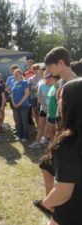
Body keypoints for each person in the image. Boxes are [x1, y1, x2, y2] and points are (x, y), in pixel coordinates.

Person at [40, 78, 82, 225]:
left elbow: (63, 192)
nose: (58, 101)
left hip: (72, 212)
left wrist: (46, 203)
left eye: (61, 97)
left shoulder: (70, 142)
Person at [29, 73, 58, 149]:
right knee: (40, 126)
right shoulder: (42, 85)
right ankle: (37, 142)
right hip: (44, 108)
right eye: (46, 78)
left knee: (51, 127)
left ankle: (49, 141)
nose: (47, 79)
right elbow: (39, 98)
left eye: (49, 78)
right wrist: (45, 108)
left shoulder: (56, 86)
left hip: (53, 111)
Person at [11, 69, 30, 142]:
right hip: (15, 106)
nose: (15, 75)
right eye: (14, 74)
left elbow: (26, 94)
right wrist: (13, 102)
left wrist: (19, 103)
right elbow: (12, 94)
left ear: (20, 74)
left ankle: (25, 136)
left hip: (24, 105)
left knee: (24, 121)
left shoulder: (25, 82)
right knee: (18, 121)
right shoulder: (14, 83)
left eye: (17, 74)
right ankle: (20, 135)